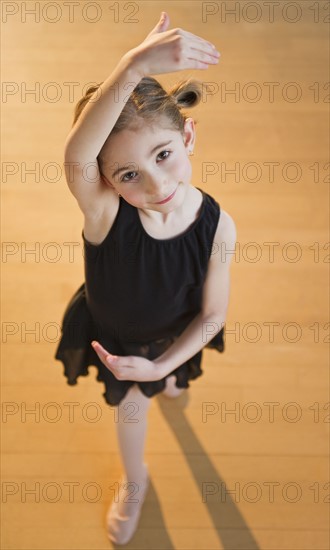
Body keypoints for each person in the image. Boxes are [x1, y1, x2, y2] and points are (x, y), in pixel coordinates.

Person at [54, 11, 236, 545]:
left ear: (189, 135)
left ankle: (172, 378)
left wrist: (164, 362)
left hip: (173, 336)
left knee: (173, 377)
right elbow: (74, 154)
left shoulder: (218, 224)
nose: (155, 184)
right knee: (133, 413)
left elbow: (212, 315)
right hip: (120, 344)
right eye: (128, 174)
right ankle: (135, 482)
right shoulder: (107, 215)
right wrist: (132, 65)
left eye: (164, 155)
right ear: (107, 181)